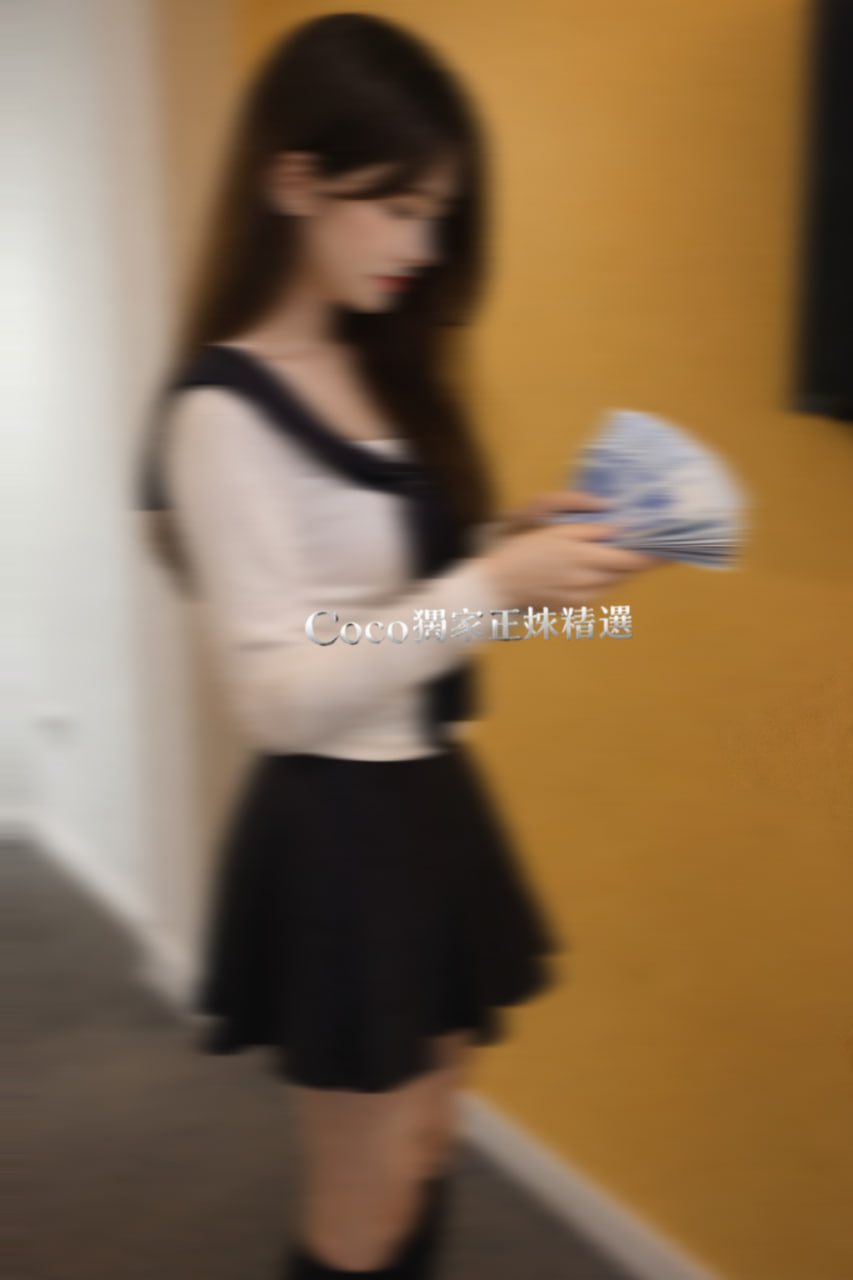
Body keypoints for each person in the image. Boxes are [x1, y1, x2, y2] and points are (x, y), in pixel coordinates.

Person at [136, 13, 668, 1278]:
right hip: (335, 827)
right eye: (398, 209)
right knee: (363, 1203)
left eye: (436, 217)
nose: (420, 252)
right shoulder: (219, 412)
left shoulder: (374, 364)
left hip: (424, 796)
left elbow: (381, 610)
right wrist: (490, 584)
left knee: (428, 1137)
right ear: (293, 180)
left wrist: (522, 555)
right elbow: (275, 690)